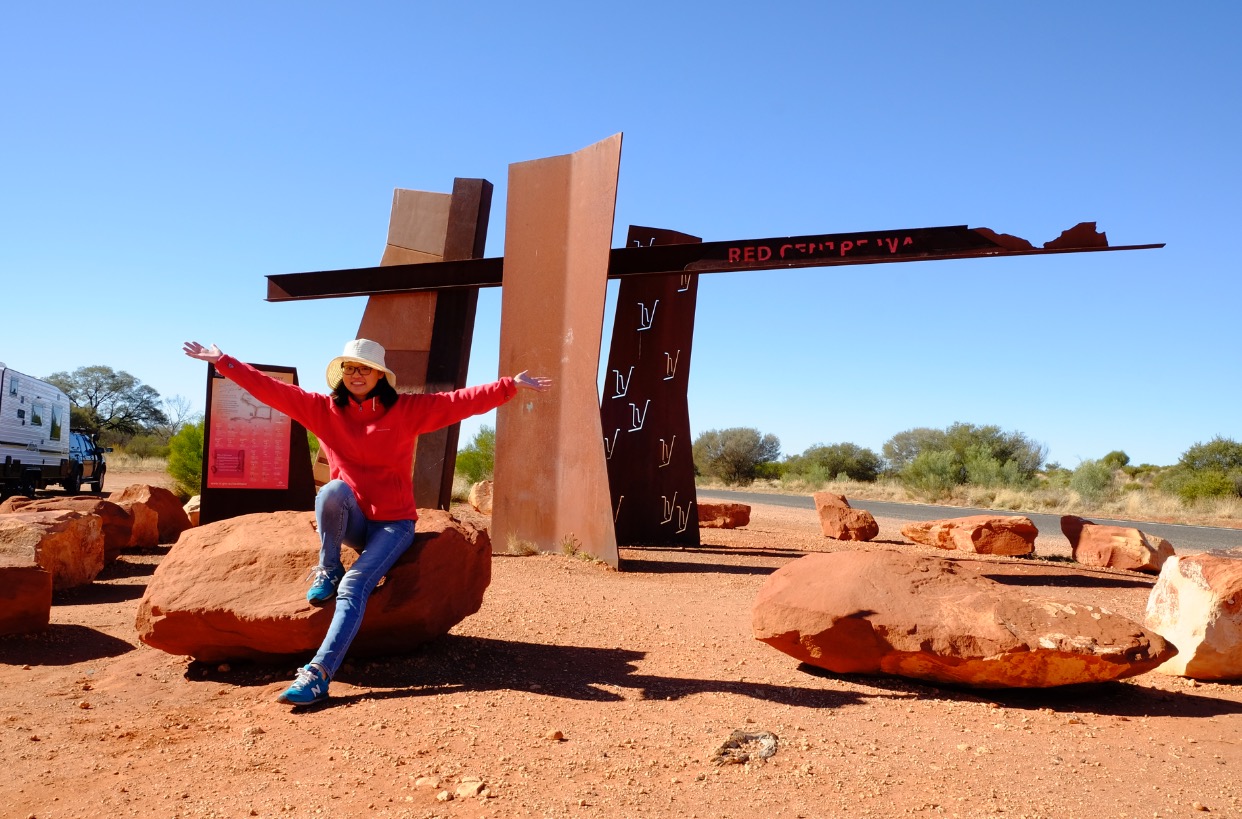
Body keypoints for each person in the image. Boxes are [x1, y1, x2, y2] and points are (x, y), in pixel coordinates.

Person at [182, 338, 551, 706]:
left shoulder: (405, 410)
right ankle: (328, 568)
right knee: (331, 492)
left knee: (354, 585)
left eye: (365, 369)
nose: (356, 374)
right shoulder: (323, 410)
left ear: (379, 376)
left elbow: (456, 403)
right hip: (354, 518)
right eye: (350, 368)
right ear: (342, 374)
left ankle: (318, 674)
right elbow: (273, 391)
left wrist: (508, 386)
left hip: (394, 525)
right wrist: (224, 362)